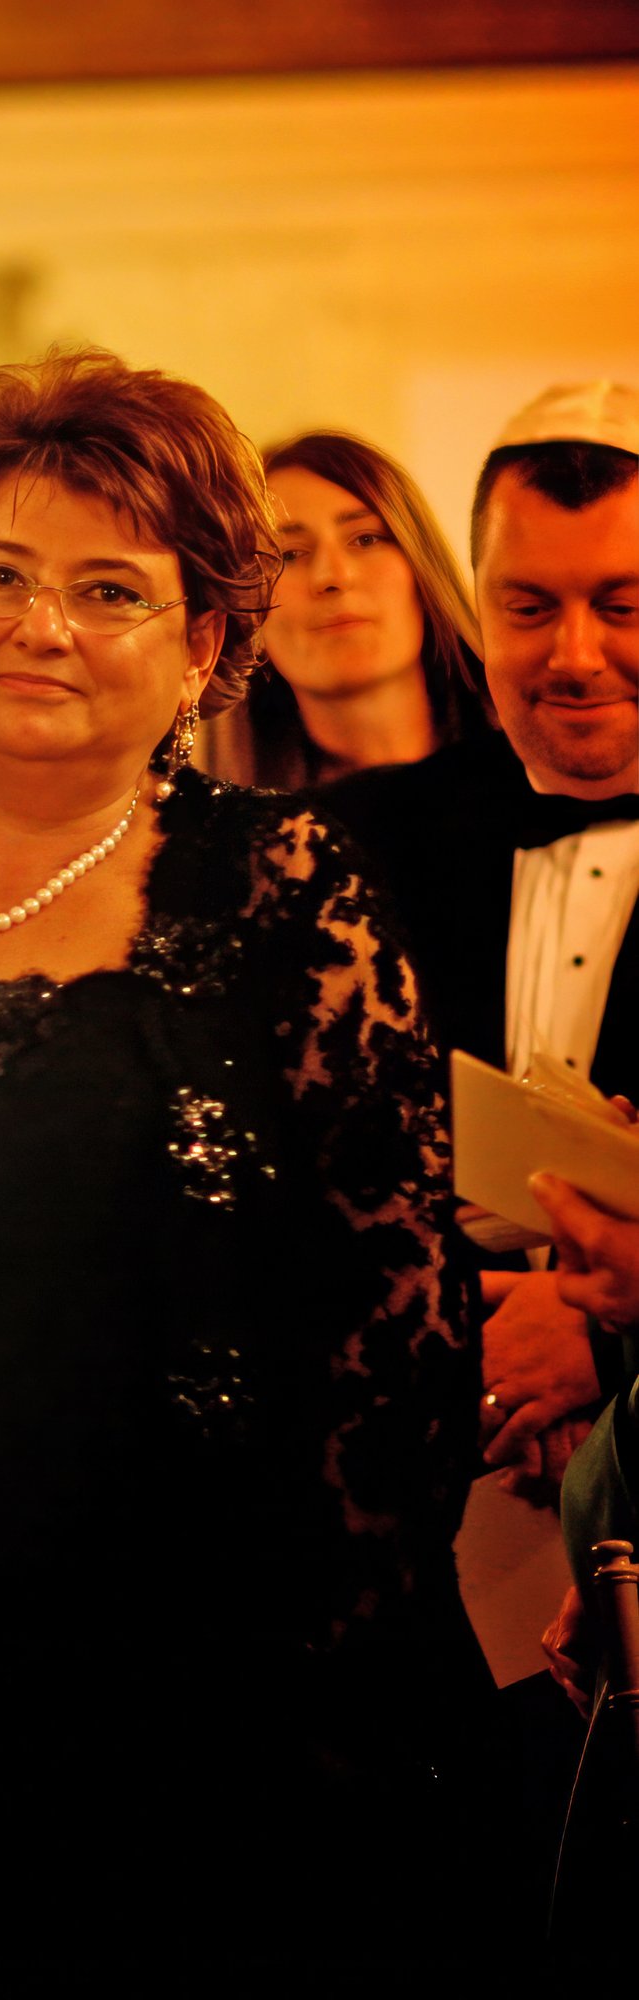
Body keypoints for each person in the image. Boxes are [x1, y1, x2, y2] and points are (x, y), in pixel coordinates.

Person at [0, 348, 483, 1991]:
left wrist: (294, 1707)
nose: (39, 626)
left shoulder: (289, 891)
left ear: (204, 644)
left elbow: (395, 1329)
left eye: (107, 590)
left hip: (211, 1722)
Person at [326, 383, 639, 1489]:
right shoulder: (352, 842)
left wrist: (601, 1338)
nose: (575, 654)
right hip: (428, 1488)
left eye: (623, 604)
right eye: (527, 606)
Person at [205, 429, 492, 789]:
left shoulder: (547, 773)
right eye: (289, 555)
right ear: (245, 611)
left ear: (422, 570)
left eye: (365, 539)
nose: (332, 576)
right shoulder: (225, 832)